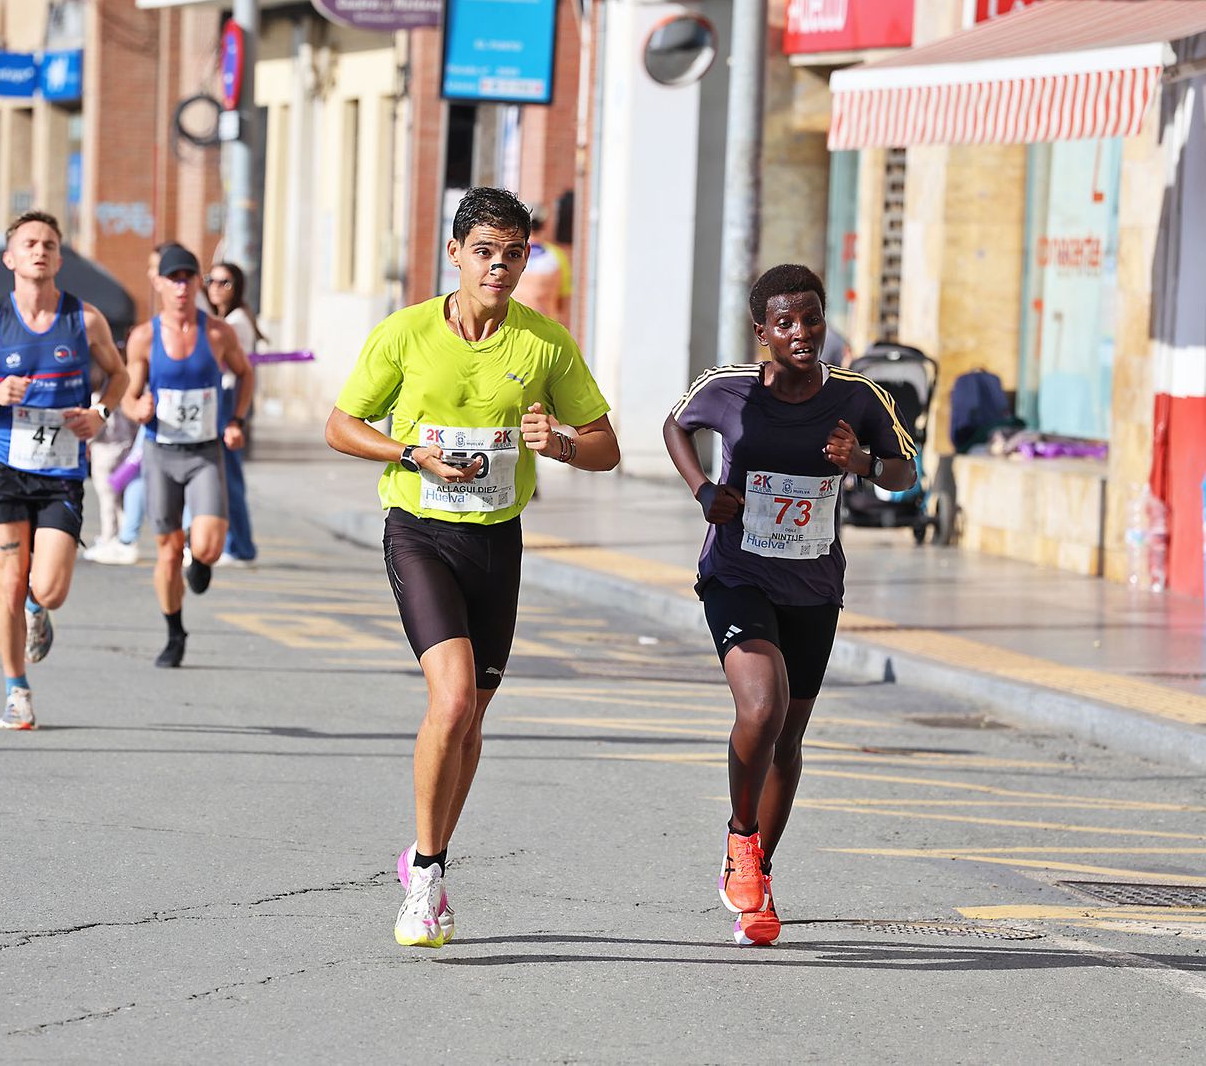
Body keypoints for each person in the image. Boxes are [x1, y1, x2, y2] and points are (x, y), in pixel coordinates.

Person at [325, 187, 620, 949]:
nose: (499, 267)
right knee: (451, 699)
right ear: (454, 252)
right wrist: (409, 451)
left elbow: (606, 446)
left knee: (473, 717)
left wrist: (559, 442)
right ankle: (426, 876)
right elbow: (341, 425)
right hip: (419, 530)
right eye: (485, 251)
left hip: (496, 539)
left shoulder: (544, 344)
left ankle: (430, 854)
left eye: (514, 254)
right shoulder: (405, 333)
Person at [662, 263, 916, 946]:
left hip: (813, 585)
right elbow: (676, 424)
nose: (801, 332)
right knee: (762, 708)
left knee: (789, 738)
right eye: (785, 323)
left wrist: (862, 463)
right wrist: (702, 488)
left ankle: (759, 875)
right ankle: (741, 840)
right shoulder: (728, 388)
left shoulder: (860, 396)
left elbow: (905, 471)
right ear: (762, 332)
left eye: (811, 319)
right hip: (737, 572)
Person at [0, 210, 128, 730]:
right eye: (29, 244)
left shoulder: (85, 319)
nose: (40, 251)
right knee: (8, 582)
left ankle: (37, 607)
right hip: (4, 464)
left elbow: (118, 375)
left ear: (60, 258)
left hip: (61, 470)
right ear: (10, 258)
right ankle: (16, 691)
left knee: (49, 589)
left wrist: (100, 412)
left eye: (49, 244)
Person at [122, 244, 255, 668]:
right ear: (159, 283)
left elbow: (245, 373)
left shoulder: (217, 333)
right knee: (166, 550)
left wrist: (236, 419)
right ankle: (174, 632)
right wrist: (137, 407)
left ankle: (200, 561)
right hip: (160, 453)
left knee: (209, 546)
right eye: (173, 279)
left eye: (187, 278)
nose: (181, 287)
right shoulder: (144, 337)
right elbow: (128, 394)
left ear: (198, 283)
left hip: (204, 452)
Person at [205, 261, 262, 564]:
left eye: (224, 282)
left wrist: (236, 418)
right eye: (211, 281)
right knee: (223, 475)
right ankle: (236, 544)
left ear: (237, 287)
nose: (216, 287)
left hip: (230, 399)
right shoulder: (227, 319)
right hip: (225, 397)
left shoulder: (236, 322)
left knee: (229, 477)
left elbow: (237, 369)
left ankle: (239, 546)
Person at [83, 349, 147, 565]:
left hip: (104, 453)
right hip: (126, 452)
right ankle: (125, 538)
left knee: (108, 499)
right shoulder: (126, 398)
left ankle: (110, 539)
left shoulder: (98, 399)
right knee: (123, 499)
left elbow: (96, 428)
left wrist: (87, 444)